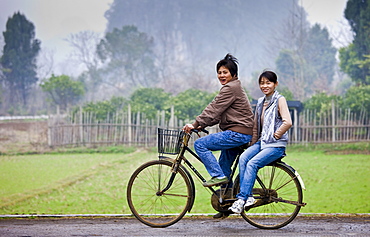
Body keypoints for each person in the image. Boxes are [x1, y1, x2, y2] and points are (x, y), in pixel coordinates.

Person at [183, 53, 254, 218]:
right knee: (223, 165)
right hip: (240, 132)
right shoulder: (232, 87)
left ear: (233, 74)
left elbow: (213, 108)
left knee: (200, 145)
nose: (222, 75)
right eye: (219, 72)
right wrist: (201, 125)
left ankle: (217, 176)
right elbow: (217, 114)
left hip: (238, 133)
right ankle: (225, 205)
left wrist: (194, 124)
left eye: (225, 72)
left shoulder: (231, 88)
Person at [228, 70, 292, 214]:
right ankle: (249, 196)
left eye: (268, 83)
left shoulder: (279, 99)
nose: (265, 86)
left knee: (252, 163)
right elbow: (256, 126)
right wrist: (253, 144)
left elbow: (287, 122)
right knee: (243, 158)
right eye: (262, 83)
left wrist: (277, 134)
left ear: (275, 84)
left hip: (275, 145)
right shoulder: (261, 102)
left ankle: (242, 198)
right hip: (262, 143)